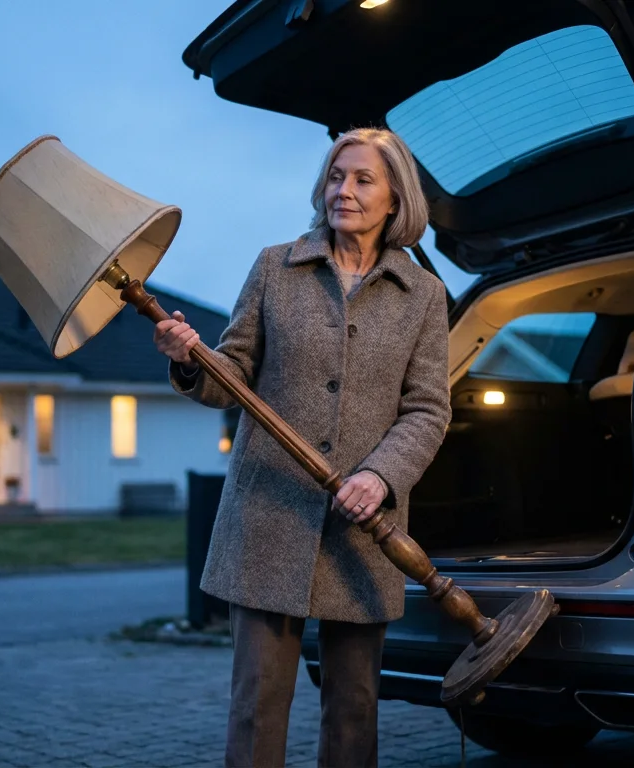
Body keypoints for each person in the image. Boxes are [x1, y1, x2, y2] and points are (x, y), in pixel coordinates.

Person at [155, 127, 451, 768]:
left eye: (362, 178)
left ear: (396, 197)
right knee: (256, 706)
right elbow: (228, 376)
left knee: (353, 711)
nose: (342, 189)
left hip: (364, 530)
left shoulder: (424, 296)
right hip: (268, 520)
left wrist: (380, 476)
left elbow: (428, 409)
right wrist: (188, 361)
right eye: (335, 175)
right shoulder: (274, 267)